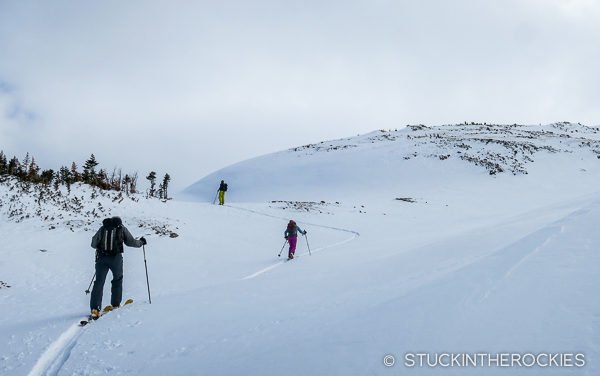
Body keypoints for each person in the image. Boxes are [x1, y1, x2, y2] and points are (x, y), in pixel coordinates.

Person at [89, 216, 146, 318]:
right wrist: (141, 242)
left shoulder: (103, 228)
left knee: (99, 282)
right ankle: (115, 304)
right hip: (116, 259)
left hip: (101, 258)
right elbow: (131, 242)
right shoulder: (121, 228)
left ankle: (95, 309)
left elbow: (93, 244)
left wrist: (99, 247)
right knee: (117, 279)